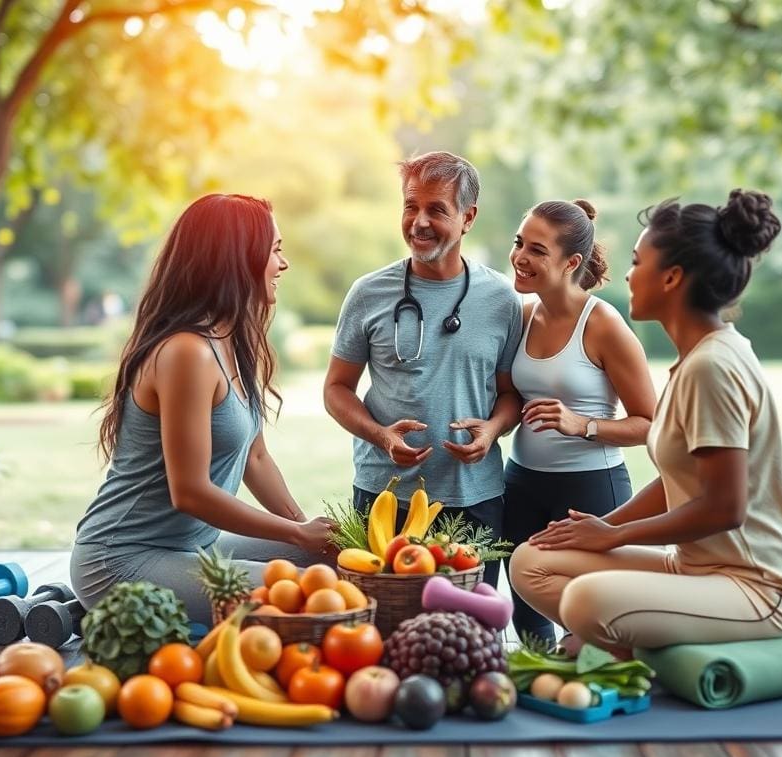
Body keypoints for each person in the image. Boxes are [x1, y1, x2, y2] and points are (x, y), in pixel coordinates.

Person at [510, 189, 782, 656]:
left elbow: (725, 507)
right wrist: (600, 529)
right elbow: (678, 480)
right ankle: (629, 644)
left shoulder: (714, 367)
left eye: (637, 261)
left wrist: (617, 535)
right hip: (694, 570)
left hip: (757, 588)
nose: (626, 274)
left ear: (671, 278)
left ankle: (627, 651)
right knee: (531, 560)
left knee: (587, 600)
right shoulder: (693, 361)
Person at [71, 194, 335, 625]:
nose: (282, 264)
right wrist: (294, 534)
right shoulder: (186, 353)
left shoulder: (233, 342)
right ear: (237, 259)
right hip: (120, 561)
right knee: (303, 593)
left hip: (195, 548)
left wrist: (306, 535)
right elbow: (189, 491)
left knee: (333, 568)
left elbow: (256, 456)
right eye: (274, 251)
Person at [324, 151, 523, 587]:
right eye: (411, 206)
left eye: (437, 209)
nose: (418, 222)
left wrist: (492, 430)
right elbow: (336, 389)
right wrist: (381, 435)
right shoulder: (368, 293)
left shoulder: (502, 300)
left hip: (474, 498)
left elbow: (510, 395)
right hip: (385, 498)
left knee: (468, 630)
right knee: (385, 631)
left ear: (468, 218)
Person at [504, 199, 656, 643]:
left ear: (571, 262)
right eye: (519, 244)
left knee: (587, 612)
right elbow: (513, 393)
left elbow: (651, 422)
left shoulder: (604, 325)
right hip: (522, 483)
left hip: (589, 488)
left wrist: (581, 424)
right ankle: (543, 693)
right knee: (527, 607)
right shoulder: (524, 315)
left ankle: (594, 691)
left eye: (536, 250)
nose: (520, 257)